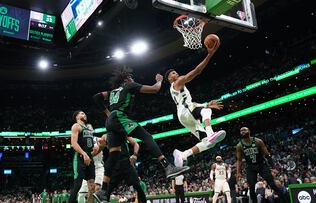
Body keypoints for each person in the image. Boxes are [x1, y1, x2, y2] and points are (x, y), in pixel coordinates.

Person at [93, 68, 189, 202]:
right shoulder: (129, 85)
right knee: (146, 137)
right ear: (126, 79)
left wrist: (107, 113)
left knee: (114, 154)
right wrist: (159, 81)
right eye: (131, 77)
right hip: (120, 117)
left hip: (110, 122)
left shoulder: (112, 92)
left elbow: (96, 97)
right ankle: (167, 166)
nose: (133, 79)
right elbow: (154, 89)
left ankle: (103, 190)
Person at [165, 35, 226, 163]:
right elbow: (197, 71)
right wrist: (210, 54)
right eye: (173, 73)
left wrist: (206, 104)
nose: (176, 74)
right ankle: (211, 133)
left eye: (175, 72)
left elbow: (191, 103)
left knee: (208, 143)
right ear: (170, 79)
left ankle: (183, 155)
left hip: (184, 116)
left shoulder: (178, 89)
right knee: (206, 112)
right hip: (186, 112)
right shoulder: (178, 82)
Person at [235, 127, 288, 203]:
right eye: (241, 131)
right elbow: (239, 160)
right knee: (252, 188)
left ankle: (285, 200)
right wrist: (238, 172)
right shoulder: (239, 146)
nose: (242, 131)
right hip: (250, 167)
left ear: (249, 131)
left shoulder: (258, 141)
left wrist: (273, 167)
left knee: (272, 184)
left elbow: (267, 155)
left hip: (261, 165)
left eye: (244, 130)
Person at [69, 111, 99, 203]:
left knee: (92, 186)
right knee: (77, 185)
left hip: (89, 158)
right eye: (82, 113)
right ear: (77, 117)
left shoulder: (88, 129)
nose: (84, 114)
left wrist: (95, 148)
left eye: (85, 113)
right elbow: (73, 143)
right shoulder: (76, 126)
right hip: (80, 157)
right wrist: (84, 154)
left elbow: (90, 145)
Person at [106, 136, 147, 203]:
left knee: (138, 187)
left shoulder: (123, 133)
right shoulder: (107, 136)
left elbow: (136, 144)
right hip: (116, 163)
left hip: (126, 162)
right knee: (108, 189)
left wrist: (135, 154)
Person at [78, 131, 106, 203]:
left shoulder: (98, 139)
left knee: (97, 188)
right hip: (88, 168)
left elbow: (105, 140)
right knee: (81, 195)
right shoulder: (82, 143)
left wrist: (103, 143)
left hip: (98, 166)